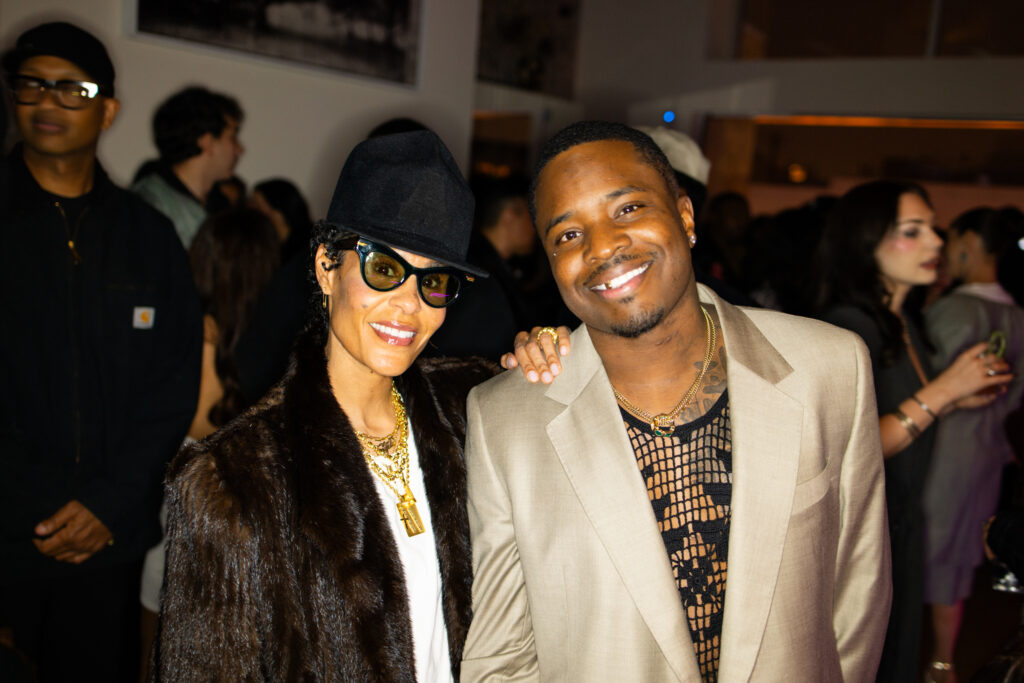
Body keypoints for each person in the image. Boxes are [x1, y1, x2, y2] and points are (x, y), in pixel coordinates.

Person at [461, 121, 892, 681]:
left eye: (627, 209)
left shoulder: (828, 368)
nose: (602, 246)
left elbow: (858, 591)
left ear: (685, 217)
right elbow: (500, 658)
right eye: (567, 235)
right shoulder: (505, 419)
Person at [155, 131, 500, 680]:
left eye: (434, 281)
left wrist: (545, 357)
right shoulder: (233, 480)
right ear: (326, 267)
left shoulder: (472, 413)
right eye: (384, 269)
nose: (408, 305)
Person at [0, 21, 201, 682]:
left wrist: (107, 503)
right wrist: (38, 503)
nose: (48, 101)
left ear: (108, 110)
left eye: (73, 89)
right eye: (32, 85)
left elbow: (173, 382)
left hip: (109, 542)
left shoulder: (147, 237)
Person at [815, 180, 1015, 683]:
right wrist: (945, 392)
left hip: (901, 524)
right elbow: (852, 444)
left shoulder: (904, 321)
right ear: (865, 242)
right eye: (912, 230)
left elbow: (900, 415)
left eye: (932, 227)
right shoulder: (849, 326)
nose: (936, 241)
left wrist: (956, 398)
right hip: (863, 535)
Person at [921, 207, 1024, 682]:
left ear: (968, 242)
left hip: (942, 450)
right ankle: (944, 657)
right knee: (962, 554)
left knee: (934, 550)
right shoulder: (1017, 315)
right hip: (989, 453)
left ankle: (938, 662)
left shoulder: (952, 310)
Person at [132, 85, 244, 246]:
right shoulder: (149, 206)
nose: (239, 149)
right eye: (232, 138)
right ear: (206, 142)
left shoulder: (222, 209)